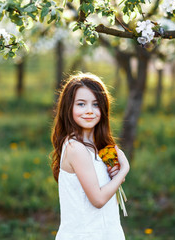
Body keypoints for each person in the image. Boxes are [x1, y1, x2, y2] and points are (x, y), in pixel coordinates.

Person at [51, 72, 130, 240]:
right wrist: (124, 170)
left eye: (95, 104)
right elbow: (98, 199)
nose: (89, 111)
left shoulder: (97, 147)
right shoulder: (75, 148)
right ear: (68, 107)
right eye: (81, 104)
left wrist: (115, 174)